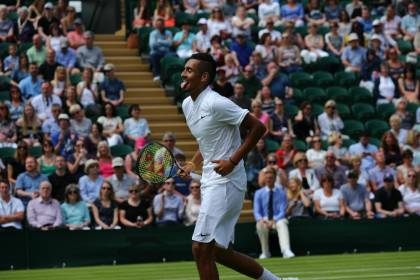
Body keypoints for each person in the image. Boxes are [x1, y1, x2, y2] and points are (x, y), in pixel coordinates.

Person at [180, 53, 282, 280]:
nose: (183, 73)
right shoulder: (188, 105)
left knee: (200, 247)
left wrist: (233, 160)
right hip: (210, 179)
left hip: (227, 181)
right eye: (184, 69)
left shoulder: (217, 102)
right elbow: (208, 140)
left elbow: (258, 127)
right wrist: (192, 163)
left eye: (189, 70)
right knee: (220, 252)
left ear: (204, 77)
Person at [254, 167, 295, 259]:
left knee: (282, 222)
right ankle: (265, 252)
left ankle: (286, 250)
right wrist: (261, 219)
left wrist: (274, 220)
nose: (269, 180)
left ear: (275, 179)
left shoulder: (281, 193)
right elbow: (256, 212)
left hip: (277, 219)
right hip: (264, 219)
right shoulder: (258, 193)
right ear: (265, 179)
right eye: (267, 178)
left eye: (271, 178)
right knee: (259, 225)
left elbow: (282, 211)